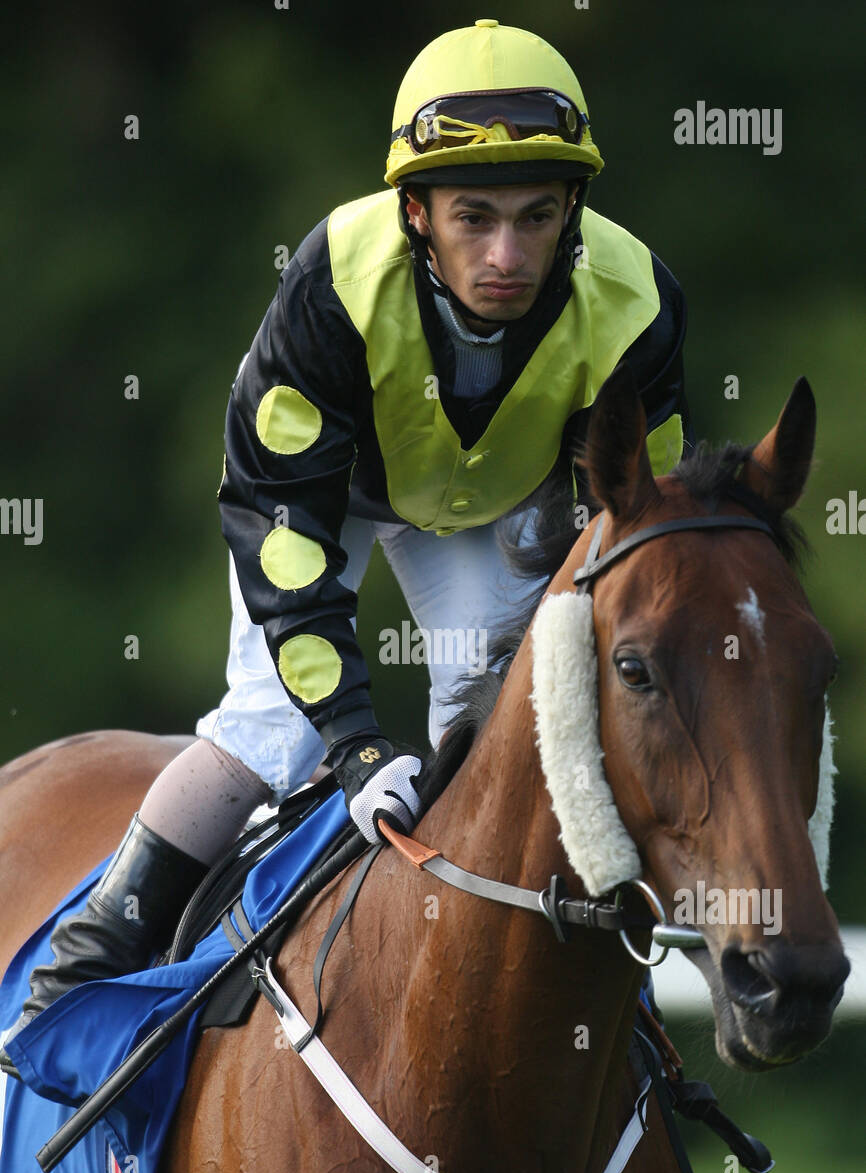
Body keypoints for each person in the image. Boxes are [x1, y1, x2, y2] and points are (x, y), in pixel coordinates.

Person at [0, 18, 690, 1074]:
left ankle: (586, 1014)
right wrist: (355, 743)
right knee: (269, 730)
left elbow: (646, 539)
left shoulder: (637, 305)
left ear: (571, 212)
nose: (505, 255)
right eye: (472, 217)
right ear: (414, 211)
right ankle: (79, 970)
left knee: (505, 720)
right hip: (326, 497)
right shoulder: (332, 283)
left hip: (492, 504)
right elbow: (287, 542)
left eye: (535, 218)